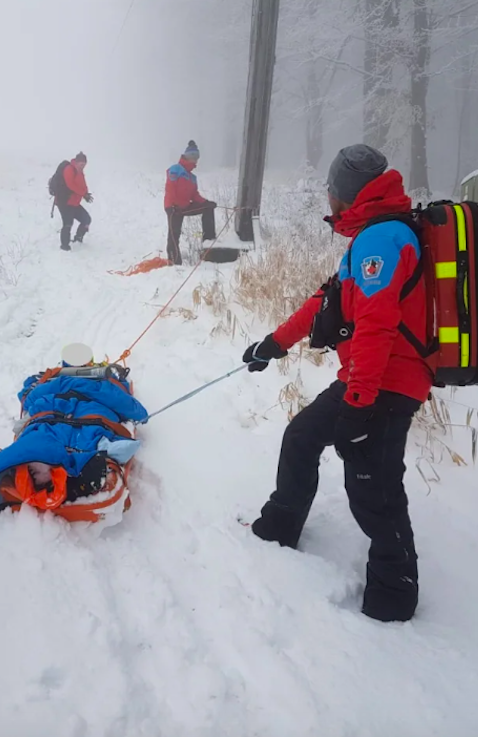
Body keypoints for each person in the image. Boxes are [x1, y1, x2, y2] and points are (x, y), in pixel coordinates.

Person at [242, 144, 431, 623]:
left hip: (385, 386)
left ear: (345, 196)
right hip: (367, 380)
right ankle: (281, 526)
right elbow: (325, 303)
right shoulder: (373, 237)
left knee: (375, 489)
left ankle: (393, 595)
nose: (328, 200)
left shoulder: (382, 240)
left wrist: (359, 403)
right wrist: (273, 344)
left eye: (330, 192)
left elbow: (376, 326)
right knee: (302, 437)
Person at [164, 140, 216, 266]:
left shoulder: (192, 177)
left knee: (207, 208)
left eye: (197, 158)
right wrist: (173, 206)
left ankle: (208, 241)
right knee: (174, 234)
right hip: (173, 208)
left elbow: (194, 195)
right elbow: (170, 188)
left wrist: (206, 202)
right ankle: (174, 263)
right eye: (195, 158)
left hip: (185, 207)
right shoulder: (175, 169)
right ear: (189, 157)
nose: (196, 161)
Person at [55, 152, 93, 251]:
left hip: (74, 202)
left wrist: (86, 194)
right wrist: (83, 193)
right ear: (76, 162)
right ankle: (64, 246)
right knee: (68, 223)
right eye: (81, 164)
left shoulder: (79, 172)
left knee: (86, 219)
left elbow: (83, 185)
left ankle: (78, 238)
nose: (83, 167)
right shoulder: (69, 169)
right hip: (64, 202)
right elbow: (70, 185)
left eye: (84, 165)